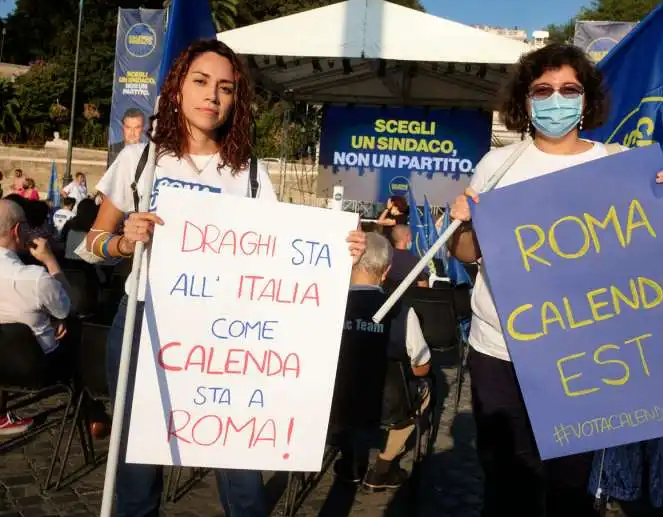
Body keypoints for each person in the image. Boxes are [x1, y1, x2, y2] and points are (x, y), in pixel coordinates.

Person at [85, 39, 366, 517]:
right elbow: (91, 242)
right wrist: (123, 243)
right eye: (200, 82)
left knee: (240, 466)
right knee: (136, 468)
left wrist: (341, 251)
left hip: (226, 335)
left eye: (225, 88)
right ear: (176, 89)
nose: (211, 96)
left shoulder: (252, 174)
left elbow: (281, 254)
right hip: (142, 322)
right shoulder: (139, 161)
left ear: (237, 99)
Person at [448, 44, 663, 517]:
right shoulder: (498, 165)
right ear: (525, 99)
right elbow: (467, 254)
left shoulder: (621, 163)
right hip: (500, 348)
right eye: (543, 90)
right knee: (504, 480)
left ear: (586, 97)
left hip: (585, 349)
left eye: (568, 89)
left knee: (571, 483)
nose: (556, 99)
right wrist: (462, 225)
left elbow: (648, 260)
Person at [333, 232, 431, 490]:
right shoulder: (402, 310)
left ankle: (351, 459)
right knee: (426, 392)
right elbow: (421, 366)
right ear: (386, 270)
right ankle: (382, 467)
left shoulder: (328, 304)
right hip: (387, 403)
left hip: (335, 399)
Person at [0, 199, 72, 436]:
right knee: (75, 329)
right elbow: (66, 307)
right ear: (18, 230)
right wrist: (50, 260)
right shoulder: (34, 278)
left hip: (7, 359)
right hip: (33, 367)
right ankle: (93, 413)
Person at [384, 224, 429, 291]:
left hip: (387, 297)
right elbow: (423, 287)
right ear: (407, 236)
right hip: (409, 299)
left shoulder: (385, 257)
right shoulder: (415, 260)